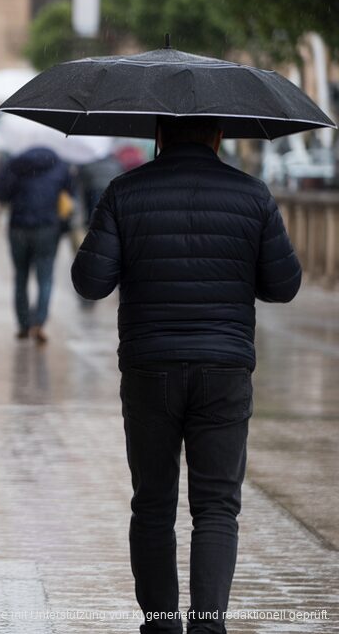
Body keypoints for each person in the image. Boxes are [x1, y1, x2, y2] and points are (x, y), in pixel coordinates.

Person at [71, 116, 301, 634]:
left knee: (152, 502)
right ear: (218, 136)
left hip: (150, 367)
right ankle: (207, 626)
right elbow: (283, 286)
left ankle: (159, 625)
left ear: (159, 135)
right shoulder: (253, 195)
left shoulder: (124, 192)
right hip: (225, 366)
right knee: (217, 505)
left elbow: (90, 282)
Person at [0, 147, 72, 344]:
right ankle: (39, 322)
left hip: (18, 227)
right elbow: (69, 196)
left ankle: (23, 325)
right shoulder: (60, 165)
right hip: (47, 227)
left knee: (21, 277)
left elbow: (2, 195)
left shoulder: (15, 164)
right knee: (45, 278)